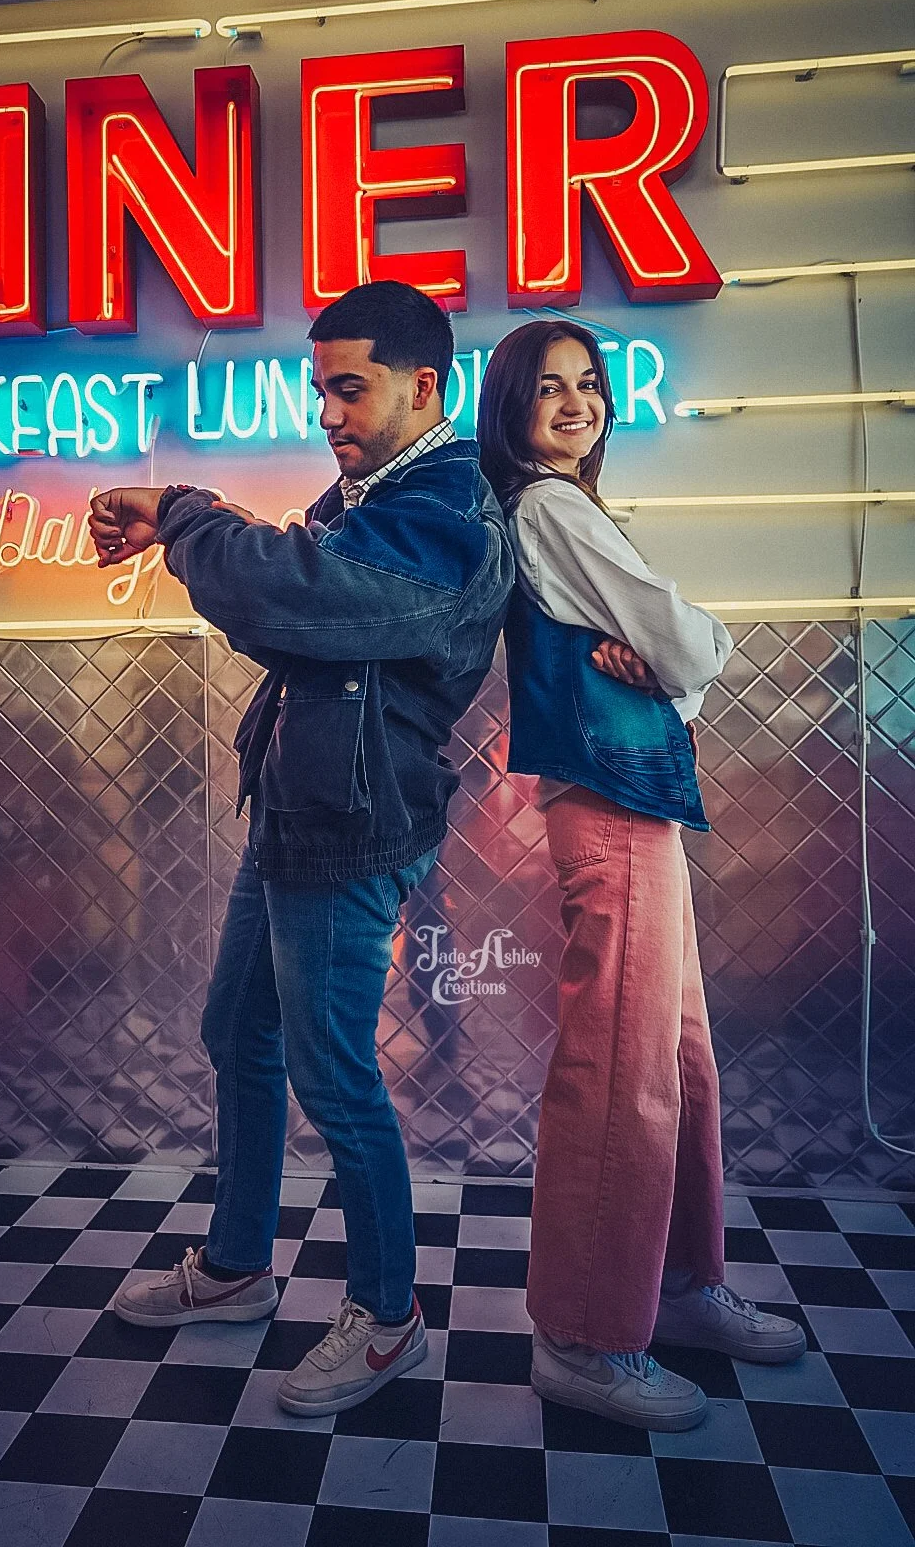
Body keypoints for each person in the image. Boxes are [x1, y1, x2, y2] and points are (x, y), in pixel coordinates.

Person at [90, 281, 513, 1416]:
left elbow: (294, 597)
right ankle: (237, 1268)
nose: (327, 412)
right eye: (320, 388)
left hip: (350, 825)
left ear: (425, 386)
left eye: (349, 388)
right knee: (240, 1030)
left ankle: (388, 1315)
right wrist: (204, 536)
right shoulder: (376, 491)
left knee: (333, 1071)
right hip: (302, 806)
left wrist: (183, 510)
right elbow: (280, 609)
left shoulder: (443, 506)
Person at [477, 319, 805, 1433]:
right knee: (622, 1066)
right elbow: (695, 645)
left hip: (635, 806)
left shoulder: (570, 507)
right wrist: (679, 660)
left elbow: (674, 665)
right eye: (549, 387)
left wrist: (670, 669)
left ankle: (675, 1285)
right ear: (511, 405)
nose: (577, 403)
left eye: (590, 384)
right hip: (612, 809)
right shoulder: (549, 507)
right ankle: (582, 1334)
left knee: (675, 1055)